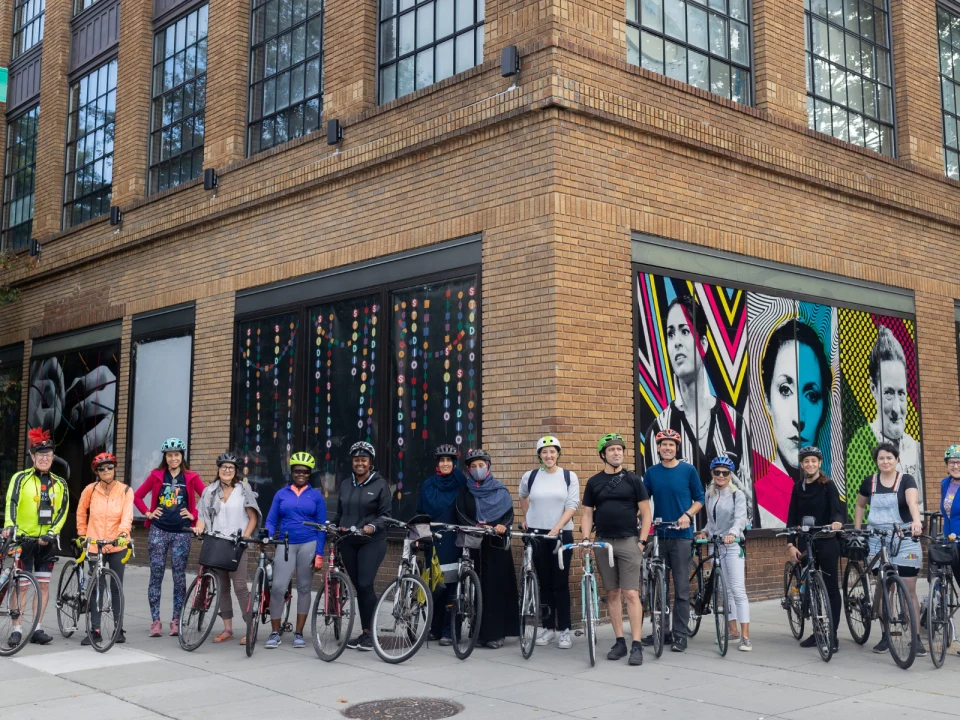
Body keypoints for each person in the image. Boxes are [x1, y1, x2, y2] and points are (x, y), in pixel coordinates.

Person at [642, 295, 753, 520]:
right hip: (678, 538)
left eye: (685, 331)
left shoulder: (735, 423)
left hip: (724, 539)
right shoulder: (658, 428)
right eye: (670, 333)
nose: (677, 342)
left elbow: (750, 506)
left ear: (703, 343)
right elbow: (650, 503)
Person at [581, 433, 652, 666]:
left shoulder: (633, 480)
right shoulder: (594, 482)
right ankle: (620, 641)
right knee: (612, 592)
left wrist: (641, 541)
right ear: (603, 454)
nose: (616, 453)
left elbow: (646, 511)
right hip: (602, 542)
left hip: (629, 541)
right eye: (611, 450)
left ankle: (637, 645)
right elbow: (587, 513)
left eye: (619, 450)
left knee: (631, 592)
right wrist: (585, 540)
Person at [755, 320, 832, 527]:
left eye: (812, 395)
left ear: (825, 406)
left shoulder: (828, 490)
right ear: (767, 400)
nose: (799, 419)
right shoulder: (756, 499)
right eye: (785, 390)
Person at [854, 442, 925, 656]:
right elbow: (859, 505)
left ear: (897, 460)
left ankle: (916, 638)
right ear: (877, 461)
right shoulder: (869, 482)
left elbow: (913, 503)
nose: (885, 462)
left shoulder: (907, 480)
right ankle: (885, 636)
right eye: (881, 458)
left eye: (889, 458)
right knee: (885, 588)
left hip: (904, 536)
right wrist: (858, 531)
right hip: (876, 538)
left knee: (908, 588)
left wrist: (916, 522)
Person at [847, 326, 923, 517]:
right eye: (888, 393)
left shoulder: (915, 447)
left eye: (901, 393)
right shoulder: (860, 444)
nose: (897, 409)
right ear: (873, 389)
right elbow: (859, 507)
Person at [2, 428, 69, 645]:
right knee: (21, 585)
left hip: (46, 542)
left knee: (43, 585)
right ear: (32, 457)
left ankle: (37, 628)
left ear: (52, 458)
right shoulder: (20, 478)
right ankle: (17, 628)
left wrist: (52, 533)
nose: (44, 459)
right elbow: (11, 502)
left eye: (48, 455)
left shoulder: (60, 483)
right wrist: (10, 526)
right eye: (40, 455)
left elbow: (62, 510)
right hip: (24, 539)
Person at [133, 437, 205, 637]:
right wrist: (148, 513)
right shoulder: (156, 475)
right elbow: (136, 496)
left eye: (177, 454)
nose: (173, 458)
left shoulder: (191, 477)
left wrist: (194, 515)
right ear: (165, 457)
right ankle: (155, 621)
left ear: (182, 456)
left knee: (179, 577)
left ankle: (176, 620)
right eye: (170, 455)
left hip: (181, 532)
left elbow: (207, 498)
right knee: (156, 575)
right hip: (158, 531)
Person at [641, 428, 704, 653]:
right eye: (663, 444)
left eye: (671, 445)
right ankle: (662, 631)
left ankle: (679, 635)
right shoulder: (651, 473)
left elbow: (700, 499)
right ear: (658, 448)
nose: (667, 448)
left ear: (677, 448)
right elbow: (643, 501)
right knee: (660, 586)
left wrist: (687, 515)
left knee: (681, 588)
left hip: (682, 537)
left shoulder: (688, 471)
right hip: (660, 536)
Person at [519, 436, 580, 649]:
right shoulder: (531, 476)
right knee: (544, 583)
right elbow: (523, 496)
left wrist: (558, 526)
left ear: (558, 453)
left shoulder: (568, 476)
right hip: (537, 535)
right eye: (544, 452)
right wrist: (528, 518)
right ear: (539, 455)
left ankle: (564, 630)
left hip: (561, 535)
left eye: (552, 451)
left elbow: (572, 505)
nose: (548, 455)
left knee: (560, 584)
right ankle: (548, 628)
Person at [195, 452, 261, 645]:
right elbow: (202, 515)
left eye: (231, 468)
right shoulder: (210, 491)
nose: (227, 470)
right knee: (222, 587)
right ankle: (228, 629)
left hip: (236, 544)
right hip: (216, 543)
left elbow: (253, 517)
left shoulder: (243, 489)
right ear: (218, 469)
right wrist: (200, 526)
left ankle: (250, 628)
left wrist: (245, 538)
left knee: (240, 586)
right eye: (224, 467)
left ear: (236, 471)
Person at [456, 448, 520, 649]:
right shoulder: (464, 490)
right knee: (475, 590)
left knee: (496, 588)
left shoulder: (500, 490)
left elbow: (509, 514)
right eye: (473, 466)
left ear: (488, 467)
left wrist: (502, 526)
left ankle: (496, 634)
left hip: (497, 545)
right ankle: (479, 633)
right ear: (468, 470)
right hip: (475, 544)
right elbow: (460, 513)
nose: (477, 469)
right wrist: (476, 526)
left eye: (481, 465)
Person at [262, 451, 326, 648]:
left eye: (305, 472)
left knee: (305, 588)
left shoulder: (316, 496)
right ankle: (275, 632)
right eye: (297, 471)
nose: (301, 474)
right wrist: (267, 535)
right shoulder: (281, 494)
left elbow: (322, 526)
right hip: (285, 543)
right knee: (279, 587)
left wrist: (320, 554)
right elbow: (272, 520)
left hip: (309, 543)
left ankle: (299, 633)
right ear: (292, 472)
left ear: (309, 475)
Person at [331, 441, 391, 651]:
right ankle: (366, 632)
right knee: (359, 588)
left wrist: (372, 527)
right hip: (349, 541)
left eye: (363, 460)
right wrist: (333, 527)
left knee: (366, 585)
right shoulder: (346, 484)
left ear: (370, 462)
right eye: (356, 460)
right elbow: (340, 513)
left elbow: (385, 516)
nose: (359, 463)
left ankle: (370, 634)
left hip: (371, 542)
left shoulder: (380, 484)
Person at [785, 446, 844, 653]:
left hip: (827, 540)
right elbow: (792, 518)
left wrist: (836, 523)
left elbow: (838, 512)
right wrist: (791, 544)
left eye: (814, 461)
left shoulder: (828, 486)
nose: (810, 464)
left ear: (819, 463)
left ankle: (833, 635)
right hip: (805, 542)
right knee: (809, 587)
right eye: (806, 461)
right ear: (802, 465)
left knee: (830, 588)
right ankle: (817, 631)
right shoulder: (797, 487)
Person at [76, 452, 133, 646]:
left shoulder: (125, 491)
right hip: (94, 545)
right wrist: (83, 535)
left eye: (109, 467)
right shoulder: (90, 490)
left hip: (117, 546)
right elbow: (81, 512)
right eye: (102, 468)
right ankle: (95, 629)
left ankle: (118, 629)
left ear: (114, 468)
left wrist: (123, 535)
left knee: (116, 588)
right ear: (96, 471)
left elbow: (127, 516)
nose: (106, 470)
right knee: (96, 588)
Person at [697, 455, 750, 651]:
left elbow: (740, 519)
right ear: (712, 473)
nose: (721, 475)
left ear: (730, 475)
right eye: (717, 472)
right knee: (724, 590)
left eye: (725, 473)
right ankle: (733, 631)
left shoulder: (738, 495)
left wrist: (733, 534)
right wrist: (704, 531)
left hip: (733, 544)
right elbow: (712, 521)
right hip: (715, 544)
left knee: (738, 590)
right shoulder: (709, 494)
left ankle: (745, 636)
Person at [417, 444, 468, 646]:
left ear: (454, 463)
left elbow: (467, 510)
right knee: (435, 586)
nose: (445, 463)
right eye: (442, 460)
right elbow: (421, 512)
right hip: (434, 540)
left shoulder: (461, 483)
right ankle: (435, 628)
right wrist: (421, 538)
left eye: (449, 460)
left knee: (453, 587)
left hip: (454, 540)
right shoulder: (428, 485)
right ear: (437, 464)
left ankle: (450, 631)